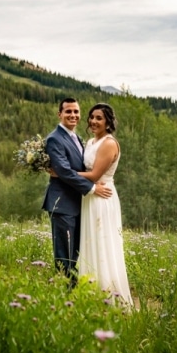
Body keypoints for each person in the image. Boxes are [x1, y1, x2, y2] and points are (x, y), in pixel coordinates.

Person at [43, 98, 113, 287]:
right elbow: (64, 172)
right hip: (62, 204)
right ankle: (64, 295)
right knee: (64, 255)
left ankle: (75, 291)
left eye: (76, 112)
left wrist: (94, 179)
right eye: (68, 112)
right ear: (60, 114)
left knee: (76, 253)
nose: (73, 115)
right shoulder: (54, 138)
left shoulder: (76, 138)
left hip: (78, 203)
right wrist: (92, 188)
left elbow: (76, 169)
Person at [76, 103, 132, 306]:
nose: (93, 121)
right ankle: (90, 292)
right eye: (91, 117)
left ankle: (109, 296)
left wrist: (62, 173)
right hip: (89, 196)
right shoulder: (91, 141)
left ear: (108, 121)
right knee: (90, 241)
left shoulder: (109, 143)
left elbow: (94, 175)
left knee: (103, 242)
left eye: (99, 118)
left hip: (102, 196)